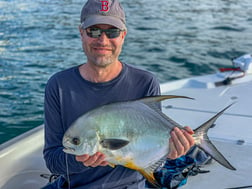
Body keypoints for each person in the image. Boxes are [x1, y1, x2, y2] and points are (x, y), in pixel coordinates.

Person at [43, 0, 195, 188]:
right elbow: (52, 161)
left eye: (112, 32)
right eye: (94, 31)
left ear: (123, 35)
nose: (103, 40)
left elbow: (150, 155)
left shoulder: (145, 83)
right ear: (81, 32)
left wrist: (170, 151)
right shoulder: (59, 85)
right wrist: (80, 160)